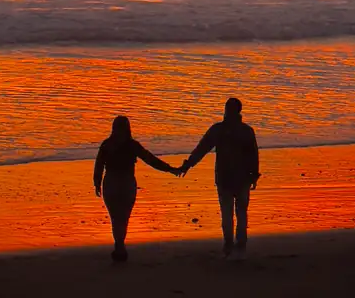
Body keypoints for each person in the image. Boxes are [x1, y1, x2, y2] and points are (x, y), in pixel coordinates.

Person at [180, 97, 260, 259]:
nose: (227, 111)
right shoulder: (244, 130)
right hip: (236, 178)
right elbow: (202, 148)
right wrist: (188, 164)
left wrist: (188, 165)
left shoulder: (221, 130)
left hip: (230, 178)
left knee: (231, 213)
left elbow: (202, 149)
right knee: (237, 212)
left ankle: (232, 245)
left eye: (228, 108)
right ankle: (236, 245)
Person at [94, 115, 180, 262]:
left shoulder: (107, 144)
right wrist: (170, 169)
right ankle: (120, 246)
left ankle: (119, 246)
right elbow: (150, 159)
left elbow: (99, 165)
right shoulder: (132, 145)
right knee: (123, 217)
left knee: (115, 218)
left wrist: (96, 182)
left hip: (111, 183)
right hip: (126, 183)